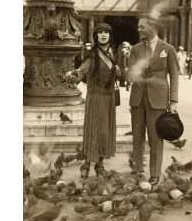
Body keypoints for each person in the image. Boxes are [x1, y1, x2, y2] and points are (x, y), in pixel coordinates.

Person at [128, 16, 179, 185]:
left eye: (142, 27)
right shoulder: (135, 49)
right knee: (137, 136)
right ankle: (137, 171)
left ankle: (155, 174)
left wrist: (173, 101)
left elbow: (174, 75)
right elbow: (130, 72)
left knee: (156, 138)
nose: (138, 29)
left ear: (152, 27)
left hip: (158, 99)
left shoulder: (168, 49)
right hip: (137, 98)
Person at [67, 23, 120, 178]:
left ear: (110, 36)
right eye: (100, 32)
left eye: (106, 32)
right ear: (96, 36)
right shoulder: (92, 54)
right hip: (95, 97)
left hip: (109, 98)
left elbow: (121, 73)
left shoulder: (114, 54)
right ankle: (86, 164)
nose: (103, 35)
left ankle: (100, 164)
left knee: (104, 131)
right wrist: (73, 75)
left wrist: (119, 71)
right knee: (93, 131)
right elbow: (82, 70)